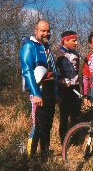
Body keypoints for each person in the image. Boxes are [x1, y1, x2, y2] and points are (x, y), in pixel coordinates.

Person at [19, 20, 57, 160]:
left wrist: (56, 93)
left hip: (50, 90)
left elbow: (53, 72)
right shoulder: (29, 46)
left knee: (47, 126)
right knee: (38, 126)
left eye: (48, 31)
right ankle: (30, 159)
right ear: (36, 31)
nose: (46, 33)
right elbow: (27, 71)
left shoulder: (46, 47)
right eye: (43, 30)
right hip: (39, 91)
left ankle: (44, 156)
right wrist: (35, 93)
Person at [54, 30, 82, 144]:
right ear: (65, 40)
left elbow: (76, 70)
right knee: (64, 116)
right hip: (63, 90)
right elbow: (54, 71)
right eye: (74, 40)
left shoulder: (76, 54)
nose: (76, 43)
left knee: (75, 115)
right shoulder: (57, 54)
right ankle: (64, 142)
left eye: (76, 40)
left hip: (75, 88)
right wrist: (61, 81)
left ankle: (75, 141)